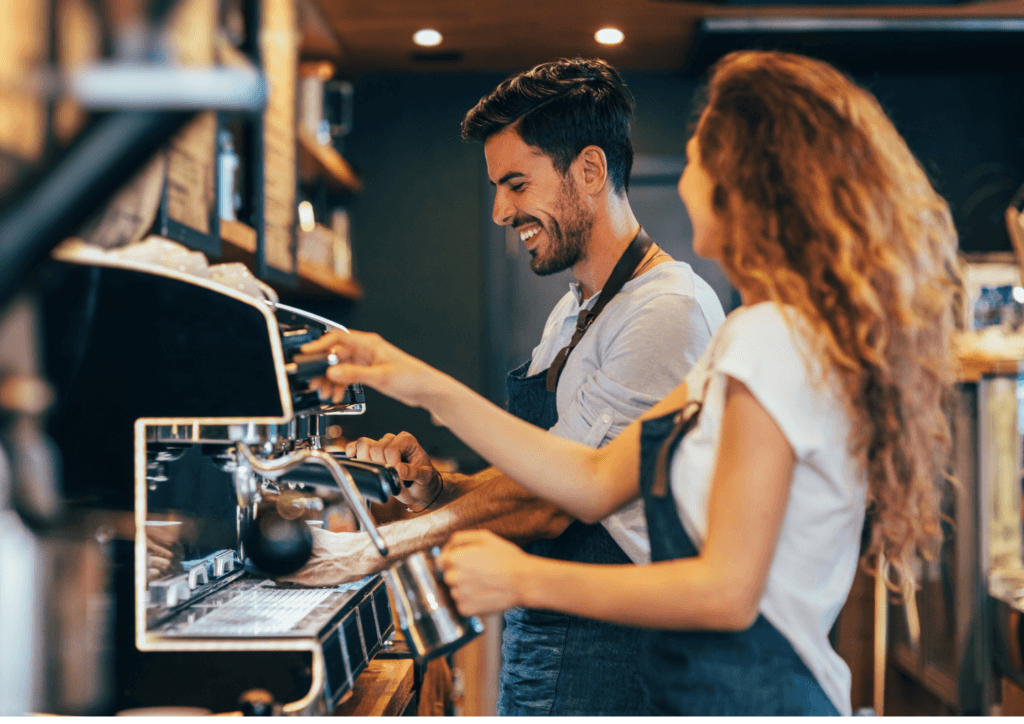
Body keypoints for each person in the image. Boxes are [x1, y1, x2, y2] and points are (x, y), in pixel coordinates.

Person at [301, 50, 960, 716]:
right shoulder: (745, 338)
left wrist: (525, 577)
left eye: (698, 159)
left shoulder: (769, 341)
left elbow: (728, 592)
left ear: (749, 180)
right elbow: (589, 478)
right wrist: (416, 384)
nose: (681, 180)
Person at [281, 58, 725, 716]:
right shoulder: (576, 309)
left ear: (591, 171)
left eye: (516, 184)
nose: (498, 210)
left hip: (615, 655)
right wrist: (439, 489)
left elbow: (562, 504)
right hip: (553, 639)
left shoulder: (666, 311)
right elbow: (549, 474)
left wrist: (369, 549)